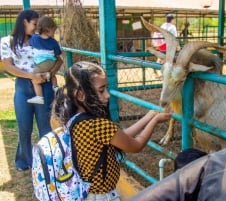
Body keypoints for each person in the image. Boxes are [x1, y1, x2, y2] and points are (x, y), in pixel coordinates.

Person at [51, 61, 172, 201]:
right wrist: (155, 121)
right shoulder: (98, 125)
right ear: (80, 95)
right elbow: (135, 145)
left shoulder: (75, 119)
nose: (108, 95)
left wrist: (149, 117)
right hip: (101, 196)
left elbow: (121, 137)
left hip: (86, 192)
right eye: (102, 90)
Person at [0, 10, 55, 171]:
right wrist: (32, 77)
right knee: (24, 126)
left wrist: (50, 73)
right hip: (23, 86)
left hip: (44, 85)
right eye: (34, 24)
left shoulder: (39, 40)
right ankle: (25, 161)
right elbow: (9, 66)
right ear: (24, 21)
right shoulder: (7, 42)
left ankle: (48, 161)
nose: (37, 27)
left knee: (45, 126)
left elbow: (56, 58)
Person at [27, 15, 63, 104]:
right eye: (53, 31)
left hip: (41, 63)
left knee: (34, 78)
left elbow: (29, 44)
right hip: (52, 61)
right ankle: (55, 87)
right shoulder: (54, 42)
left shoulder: (34, 38)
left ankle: (39, 96)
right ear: (47, 30)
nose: (54, 33)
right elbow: (58, 53)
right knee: (52, 74)